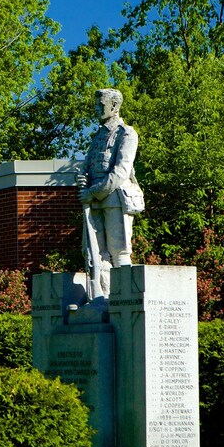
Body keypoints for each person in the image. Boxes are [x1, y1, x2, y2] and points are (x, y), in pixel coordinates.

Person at [77, 88, 143, 304]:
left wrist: (92, 192)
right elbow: (87, 166)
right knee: (97, 254)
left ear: (114, 106)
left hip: (115, 200)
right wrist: (82, 179)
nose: (96, 109)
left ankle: (126, 300)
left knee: (120, 252)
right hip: (94, 203)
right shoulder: (98, 136)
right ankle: (102, 299)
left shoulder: (126, 134)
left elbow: (121, 171)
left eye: (101, 105)